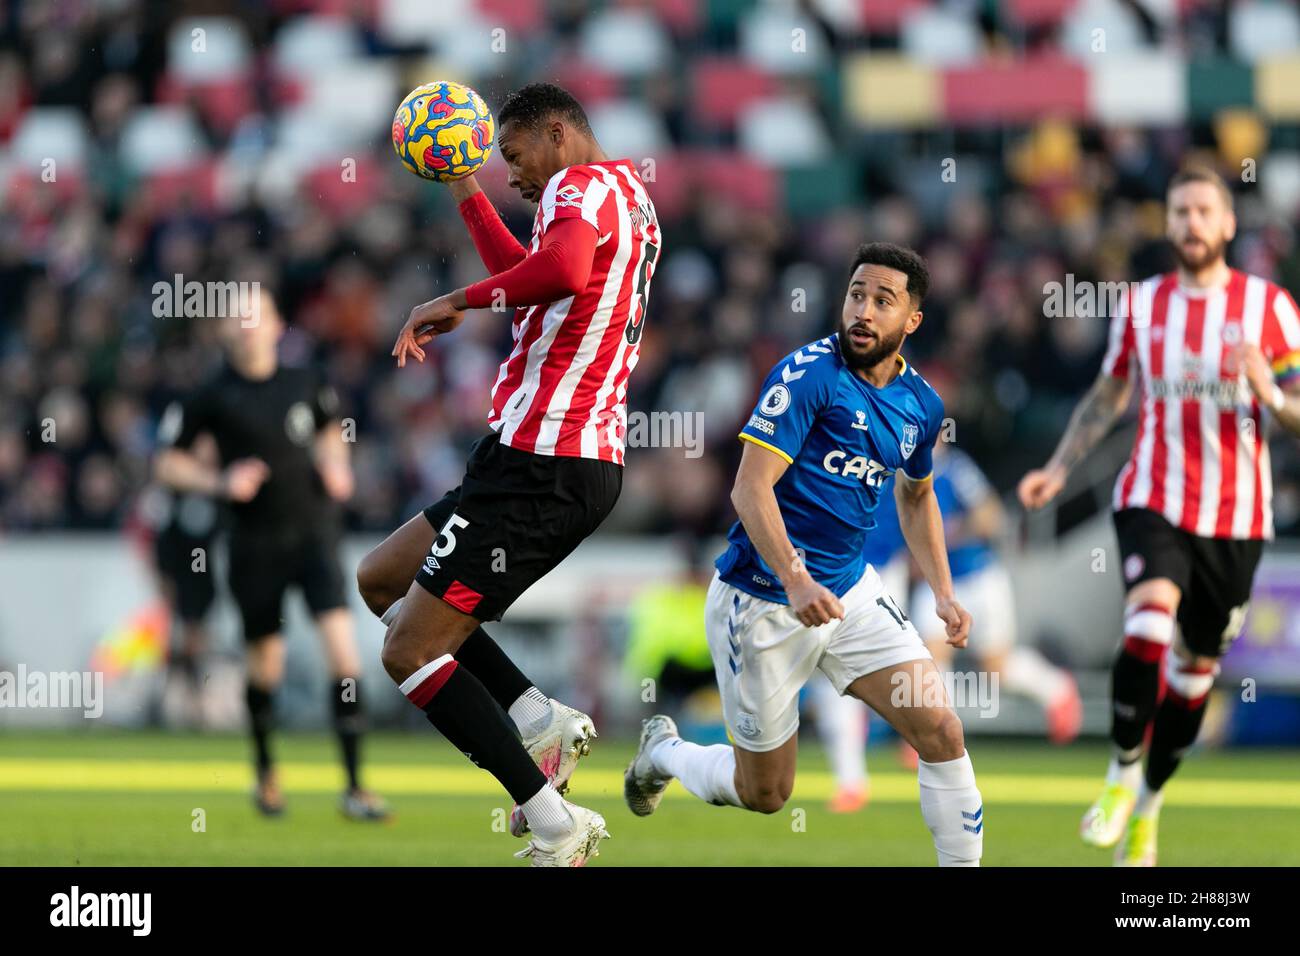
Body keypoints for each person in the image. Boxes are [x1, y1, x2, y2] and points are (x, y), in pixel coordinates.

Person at [356, 83, 660, 866]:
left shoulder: (578, 185)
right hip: (540, 459)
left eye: (515, 157)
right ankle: (533, 714)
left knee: (406, 652)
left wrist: (452, 297)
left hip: (544, 463)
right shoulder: (628, 195)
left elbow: (554, 273)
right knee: (381, 580)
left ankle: (554, 824)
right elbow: (536, 281)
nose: (514, 176)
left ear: (557, 133)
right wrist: (464, 186)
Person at [624, 242, 986, 867]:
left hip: (849, 591)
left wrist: (944, 590)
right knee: (765, 792)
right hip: (761, 600)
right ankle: (663, 754)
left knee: (942, 730)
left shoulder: (921, 405)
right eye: (856, 295)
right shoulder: (808, 375)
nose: (863, 312)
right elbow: (748, 487)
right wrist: (794, 579)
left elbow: (919, 495)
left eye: (882, 301)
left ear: (912, 321)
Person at [1018, 165, 1300, 866]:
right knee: (1147, 624)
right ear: (1168, 224)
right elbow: (1109, 396)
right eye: (1180, 212)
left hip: (1237, 517)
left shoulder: (1271, 308)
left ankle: (1147, 804)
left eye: (1205, 210)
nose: (1192, 223)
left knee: (1194, 671)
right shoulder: (1142, 305)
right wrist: (1058, 469)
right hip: (1155, 495)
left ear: (1228, 224)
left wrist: (1266, 386)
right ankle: (1119, 772)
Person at [155, 288, 387, 821]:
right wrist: (219, 481)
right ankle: (265, 772)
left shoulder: (305, 381)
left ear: (277, 325)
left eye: (256, 314)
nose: (247, 325)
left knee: (345, 658)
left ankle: (355, 785)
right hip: (253, 545)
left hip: (314, 536)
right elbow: (167, 464)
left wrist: (337, 466)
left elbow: (330, 431)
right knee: (266, 667)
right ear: (225, 330)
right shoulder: (210, 395)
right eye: (238, 317)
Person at [908, 442, 1081, 745]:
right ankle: (935, 732)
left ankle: (1056, 688)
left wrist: (947, 535)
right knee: (930, 658)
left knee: (995, 668)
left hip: (977, 577)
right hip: (934, 582)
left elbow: (992, 517)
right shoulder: (899, 468)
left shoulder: (955, 469)